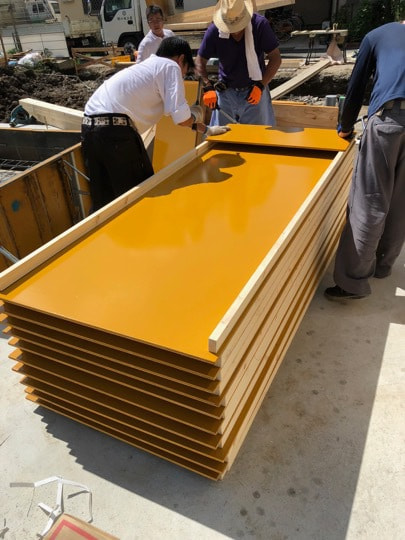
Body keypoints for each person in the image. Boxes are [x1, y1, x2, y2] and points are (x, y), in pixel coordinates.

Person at [81, 37, 229, 211]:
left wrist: (205, 129)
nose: (182, 77)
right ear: (181, 59)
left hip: (89, 128)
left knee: (103, 204)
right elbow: (181, 118)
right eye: (185, 71)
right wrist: (197, 117)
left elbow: (174, 113)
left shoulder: (147, 67)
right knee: (141, 195)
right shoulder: (171, 66)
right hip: (115, 133)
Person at [324, 19, 405, 301]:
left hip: (389, 121)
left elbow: (356, 87)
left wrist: (345, 127)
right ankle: (383, 266)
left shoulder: (377, 35)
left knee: (369, 201)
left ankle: (353, 282)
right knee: (400, 200)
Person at [195, 0, 281, 126]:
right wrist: (207, 86)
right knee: (222, 135)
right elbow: (199, 61)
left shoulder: (259, 25)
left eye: (238, 26)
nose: (235, 32)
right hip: (226, 93)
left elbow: (276, 58)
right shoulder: (215, 30)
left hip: (254, 91)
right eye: (231, 27)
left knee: (257, 135)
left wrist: (260, 86)